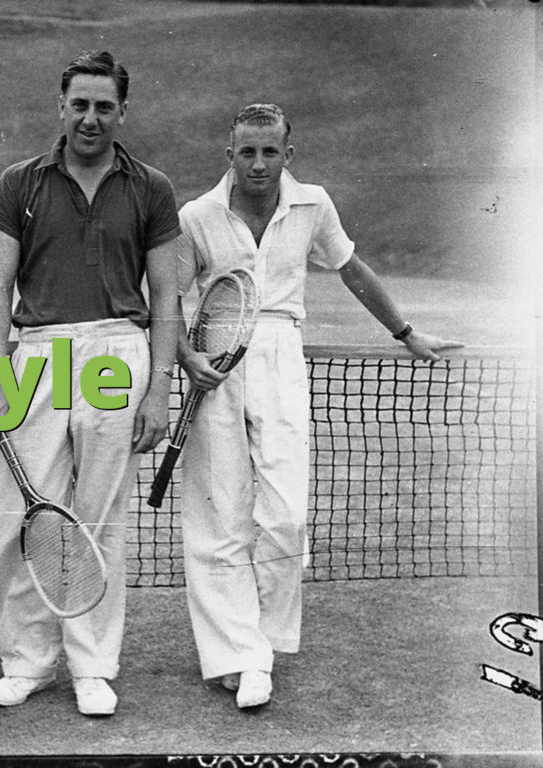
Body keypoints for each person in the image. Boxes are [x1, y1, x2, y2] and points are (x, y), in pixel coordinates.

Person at [174, 103, 464, 709]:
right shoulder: (197, 216)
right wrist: (186, 356)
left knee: (285, 516)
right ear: (229, 154)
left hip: (282, 354)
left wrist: (407, 332)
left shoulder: (314, 205)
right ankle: (238, 655)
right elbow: (166, 299)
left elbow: (351, 269)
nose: (258, 163)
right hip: (215, 362)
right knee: (220, 516)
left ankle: (261, 645)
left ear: (288, 153)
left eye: (269, 151)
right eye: (247, 151)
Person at [0, 50, 181, 718]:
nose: (91, 118)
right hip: (37, 355)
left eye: (104, 107)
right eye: (80, 105)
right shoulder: (18, 183)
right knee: (23, 516)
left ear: (123, 111)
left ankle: (93, 667)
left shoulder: (152, 187)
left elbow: (167, 297)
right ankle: (25, 663)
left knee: (99, 520)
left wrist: (159, 390)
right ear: (61, 107)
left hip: (119, 353)